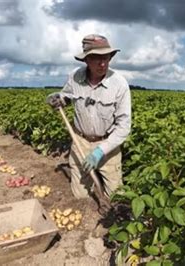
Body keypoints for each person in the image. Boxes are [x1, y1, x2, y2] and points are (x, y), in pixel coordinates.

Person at [46, 34, 131, 200]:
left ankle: (102, 180)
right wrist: (58, 99)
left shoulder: (119, 84)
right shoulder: (75, 77)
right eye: (96, 59)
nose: (102, 63)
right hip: (81, 142)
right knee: (81, 198)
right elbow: (66, 97)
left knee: (116, 197)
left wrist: (100, 151)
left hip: (108, 145)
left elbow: (124, 126)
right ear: (86, 60)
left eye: (106, 58)